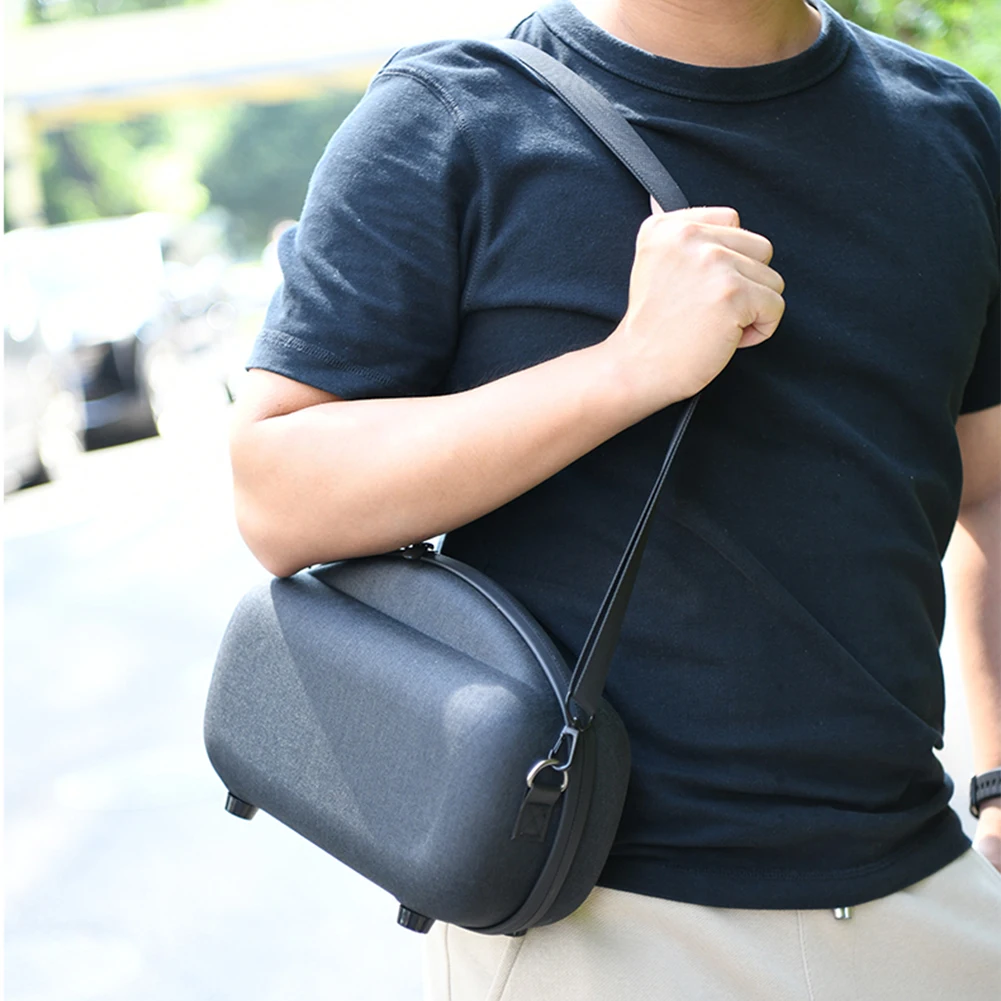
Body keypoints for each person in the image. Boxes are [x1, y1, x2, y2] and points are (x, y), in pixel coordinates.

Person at [228, 0, 1000, 997]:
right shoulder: (452, 116)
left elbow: (988, 489)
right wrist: (625, 368)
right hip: (594, 917)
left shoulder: (953, 127)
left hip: (926, 897)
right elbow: (278, 495)